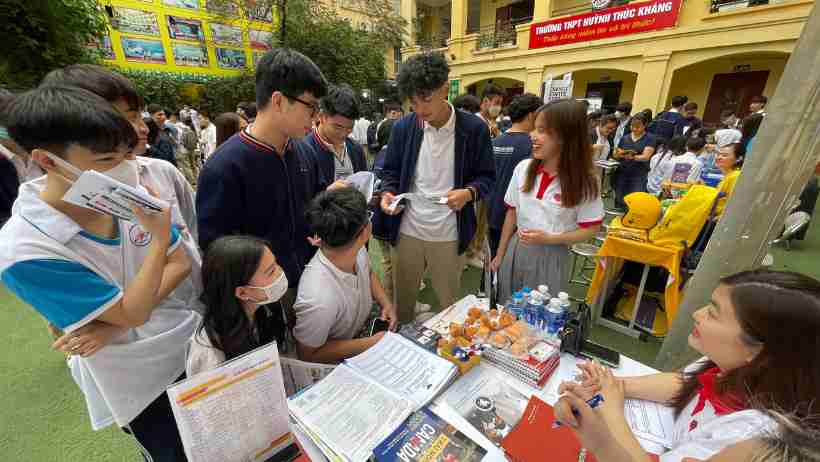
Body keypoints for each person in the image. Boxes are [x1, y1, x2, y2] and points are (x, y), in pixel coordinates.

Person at [0, 86, 199, 461]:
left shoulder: (117, 191)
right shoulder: (24, 251)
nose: (125, 169)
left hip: (189, 345)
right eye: (107, 158)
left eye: (126, 155)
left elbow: (180, 264)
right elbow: (137, 307)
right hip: (137, 381)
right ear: (47, 161)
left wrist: (114, 323)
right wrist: (157, 246)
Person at [555, 268, 820, 462]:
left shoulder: (754, 437)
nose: (697, 314)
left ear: (757, 349)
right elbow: (685, 383)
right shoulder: (727, 365)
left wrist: (609, 409)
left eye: (713, 313)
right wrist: (614, 385)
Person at [196, 48, 340, 349]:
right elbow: (217, 251)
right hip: (263, 301)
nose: (315, 118)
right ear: (278, 100)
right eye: (310, 107)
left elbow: (314, 205)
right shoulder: (224, 167)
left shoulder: (304, 152)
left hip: (311, 282)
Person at [379, 51, 495, 325]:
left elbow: (488, 177)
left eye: (426, 99)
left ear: (445, 86)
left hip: (449, 230)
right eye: (413, 102)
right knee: (403, 300)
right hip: (408, 227)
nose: (419, 110)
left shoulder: (473, 129)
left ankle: (447, 352)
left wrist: (468, 194)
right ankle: (402, 349)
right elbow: (390, 172)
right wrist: (388, 193)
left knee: (448, 303)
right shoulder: (405, 127)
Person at [490, 99, 603, 303]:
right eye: (534, 128)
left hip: (552, 254)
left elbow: (591, 228)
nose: (532, 136)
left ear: (567, 136)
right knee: (507, 305)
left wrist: (550, 239)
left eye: (542, 130)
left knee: (539, 316)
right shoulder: (523, 168)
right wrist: (500, 253)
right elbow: (512, 212)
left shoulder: (584, 180)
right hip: (517, 248)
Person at [294, 187, 396, 363]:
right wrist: (370, 343)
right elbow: (308, 354)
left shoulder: (353, 248)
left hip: (359, 331)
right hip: (337, 360)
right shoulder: (318, 299)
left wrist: (386, 303)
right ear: (365, 232)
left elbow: (368, 273)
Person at [187, 236, 289, 376]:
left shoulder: (265, 308)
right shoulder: (209, 351)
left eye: (276, 263)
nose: (280, 272)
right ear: (242, 292)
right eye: (271, 272)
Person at [487, 93, 542, 258]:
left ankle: (486, 285)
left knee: (492, 257)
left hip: (492, 212)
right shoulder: (533, 146)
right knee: (509, 262)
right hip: (516, 217)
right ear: (532, 115)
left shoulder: (495, 142)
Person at [302, 84, 368, 182]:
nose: (343, 134)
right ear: (322, 117)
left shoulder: (356, 149)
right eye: (337, 127)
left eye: (350, 128)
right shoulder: (305, 151)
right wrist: (326, 194)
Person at [613, 112, 657, 209]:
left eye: (638, 126)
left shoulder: (650, 138)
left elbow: (646, 156)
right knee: (619, 197)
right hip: (622, 171)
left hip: (639, 174)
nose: (634, 129)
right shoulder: (625, 138)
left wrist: (633, 157)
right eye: (632, 126)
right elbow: (617, 154)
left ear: (645, 125)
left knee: (635, 199)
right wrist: (618, 154)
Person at [714, 142, 745, 216]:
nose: (719, 157)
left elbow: (733, 204)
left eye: (724, 155)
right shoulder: (728, 175)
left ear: (738, 159)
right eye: (718, 154)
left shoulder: (735, 176)